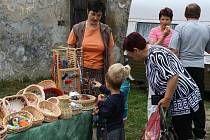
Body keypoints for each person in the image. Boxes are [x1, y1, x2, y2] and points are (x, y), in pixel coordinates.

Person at [123, 32, 204, 140]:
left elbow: (173, 77)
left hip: (182, 99)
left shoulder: (156, 54)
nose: (130, 57)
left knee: (183, 134)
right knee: (176, 133)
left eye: (130, 54)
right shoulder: (150, 55)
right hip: (175, 100)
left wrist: (166, 98)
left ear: (136, 50)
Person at [169, 3, 210, 139]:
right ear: (199, 14)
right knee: (198, 99)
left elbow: (173, 49)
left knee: (183, 98)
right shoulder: (206, 28)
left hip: (183, 67)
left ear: (186, 15)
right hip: (199, 67)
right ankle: (199, 132)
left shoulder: (180, 27)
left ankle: (184, 131)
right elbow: (209, 49)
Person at [67, 0, 116, 95]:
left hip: (99, 72)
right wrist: (71, 69)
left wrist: (111, 73)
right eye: (93, 14)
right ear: (87, 11)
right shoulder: (77, 28)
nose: (95, 18)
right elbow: (70, 49)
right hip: (81, 71)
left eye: (99, 15)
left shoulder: (106, 30)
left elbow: (110, 54)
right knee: (79, 97)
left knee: (98, 99)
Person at [147, 7, 174, 119]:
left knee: (168, 91)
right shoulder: (154, 31)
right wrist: (163, 36)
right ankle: (152, 118)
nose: (164, 22)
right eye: (162, 19)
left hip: (168, 66)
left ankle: (166, 117)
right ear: (159, 20)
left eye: (167, 19)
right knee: (153, 93)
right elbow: (153, 47)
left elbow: (175, 49)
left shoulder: (174, 33)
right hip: (155, 66)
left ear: (171, 21)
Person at [92, 63, 127, 140]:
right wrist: (101, 86)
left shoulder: (110, 101)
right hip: (119, 127)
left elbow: (104, 113)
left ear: (107, 83)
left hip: (111, 130)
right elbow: (110, 91)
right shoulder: (121, 95)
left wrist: (100, 103)